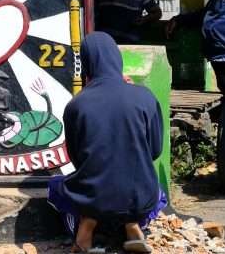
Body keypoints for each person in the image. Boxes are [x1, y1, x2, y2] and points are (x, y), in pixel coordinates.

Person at [48, 32, 165, 253]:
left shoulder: (77, 105)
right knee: (157, 193)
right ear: (117, 58)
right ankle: (132, 224)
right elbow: (155, 150)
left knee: (56, 187)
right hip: (140, 197)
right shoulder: (144, 96)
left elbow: (77, 158)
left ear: (86, 63)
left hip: (93, 197)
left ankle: (86, 228)